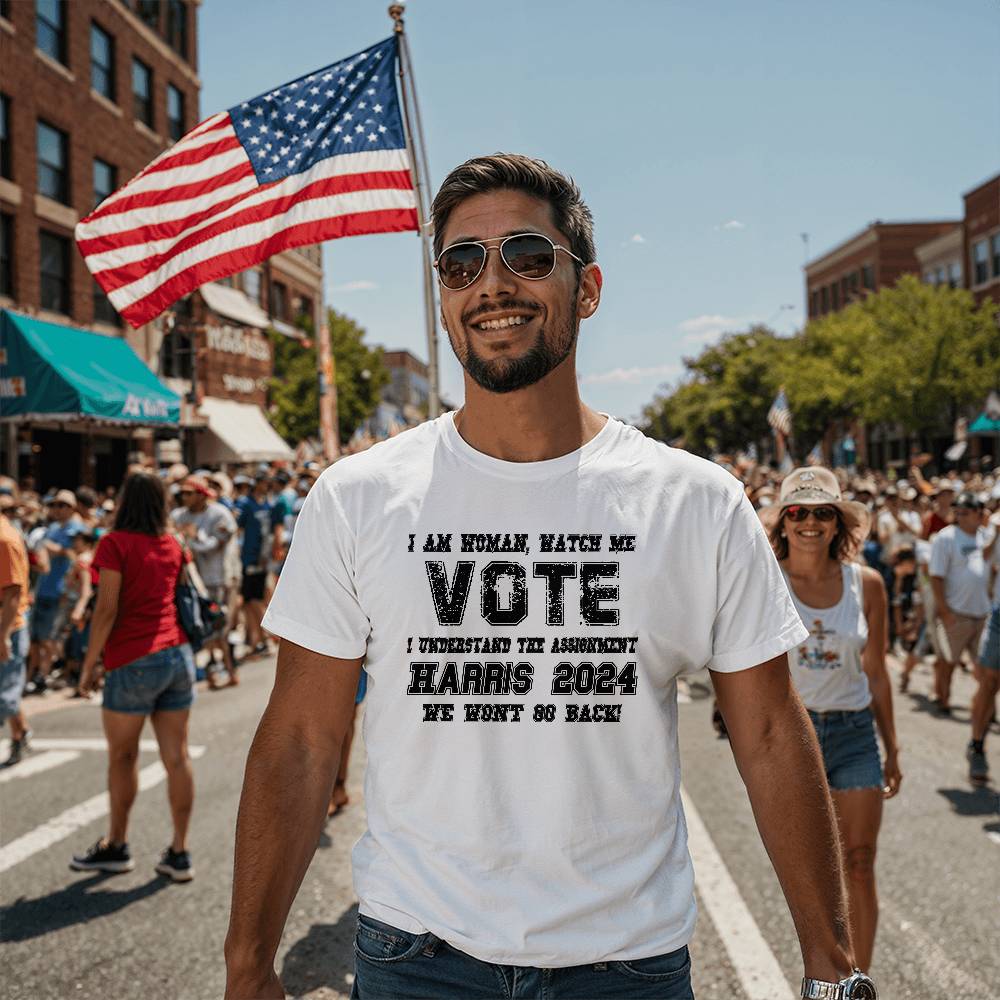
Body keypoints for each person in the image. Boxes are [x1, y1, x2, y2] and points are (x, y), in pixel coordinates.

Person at [225, 154, 873, 1000]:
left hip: (627, 966)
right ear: (442, 294)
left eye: (527, 255)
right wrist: (247, 964)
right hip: (413, 961)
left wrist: (832, 962)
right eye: (462, 263)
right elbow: (303, 740)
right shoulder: (356, 498)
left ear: (588, 287)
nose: (491, 284)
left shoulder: (697, 502)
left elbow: (771, 735)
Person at [764, 466, 901, 971]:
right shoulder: (766, 578)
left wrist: (893, 746)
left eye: (824, 512)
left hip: (854, 733)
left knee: (860, 862)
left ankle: (857, 980)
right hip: (794, 737)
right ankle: (824, 971)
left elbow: (878, 671)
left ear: (838, 522)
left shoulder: (867, 584)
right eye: (798, 512)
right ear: (783, 522)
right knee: (812, 877)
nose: (810, 522)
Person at [71, 471, 197, 883]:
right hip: (177, 654)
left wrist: (89, 666)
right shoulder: (174, 543)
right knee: (176, 758)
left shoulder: (114, 544)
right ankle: (180, 852)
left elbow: (106, 610)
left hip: (132, 657)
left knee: (122, 757)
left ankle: (117, 845)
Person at [172, 475, 239, 688]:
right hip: (188, 582)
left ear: (201, 495)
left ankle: (227, 669)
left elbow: (214, 546)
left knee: (217, 625)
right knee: (198, 627)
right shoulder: (178, 515)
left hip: (214, 579)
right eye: (182, 493)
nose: (185, 497)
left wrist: (192, 538)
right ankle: (212, 670)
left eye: (189, 493)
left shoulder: (220, 514)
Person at [928, 492, 991, 717]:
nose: (961, 517)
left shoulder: (987, 536)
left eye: (966, 512)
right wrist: (944, 610)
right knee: (948, 662)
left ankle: (986, 708)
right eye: (958, 512)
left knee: (986, 667)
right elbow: (936, 576)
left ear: (980, 514)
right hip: (956, 612)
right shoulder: (946, 537)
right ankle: (943, 699)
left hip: (983, 612)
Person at [27, 490, 81, 693]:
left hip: (60, 591)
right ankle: (34, 675)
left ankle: (44, 675)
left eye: (61, 505)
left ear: (71, 508)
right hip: (43, 588)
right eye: (54, 505)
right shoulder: (53, 527)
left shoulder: (77, 528)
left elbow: (72, 553)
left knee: (49, 638)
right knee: (35, 638)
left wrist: (49, 547)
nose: (56, 509)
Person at [967, 497, 1000, 782]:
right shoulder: (995, 526)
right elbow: (984, 559)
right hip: (999, 615)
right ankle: (977, 745)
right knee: (988, 683)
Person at [235, 474, 283, 657]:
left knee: (254, 600)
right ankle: (260, 639)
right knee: (250, 601)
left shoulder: (266, 505)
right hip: (248, 558)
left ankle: (265, 637)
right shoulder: (246, 505)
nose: (267, 487)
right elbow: (239, 530)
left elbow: (270, 532)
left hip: (259, 560)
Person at [0, 494, 32, 766]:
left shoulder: (4, 539)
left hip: (8, 625)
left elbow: (12, 592)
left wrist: (3, 635)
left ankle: (19, 737)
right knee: (6, 690)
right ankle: (20, 734)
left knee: (5, 693)